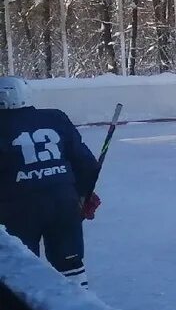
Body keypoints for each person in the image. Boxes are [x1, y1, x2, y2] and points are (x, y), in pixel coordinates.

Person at [0, 76, 101, 287]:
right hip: (64, 201)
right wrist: (83, 195)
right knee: (70, 264)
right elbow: (87, 165)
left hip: (16, 207)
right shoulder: (55, 117)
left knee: (22, 267)